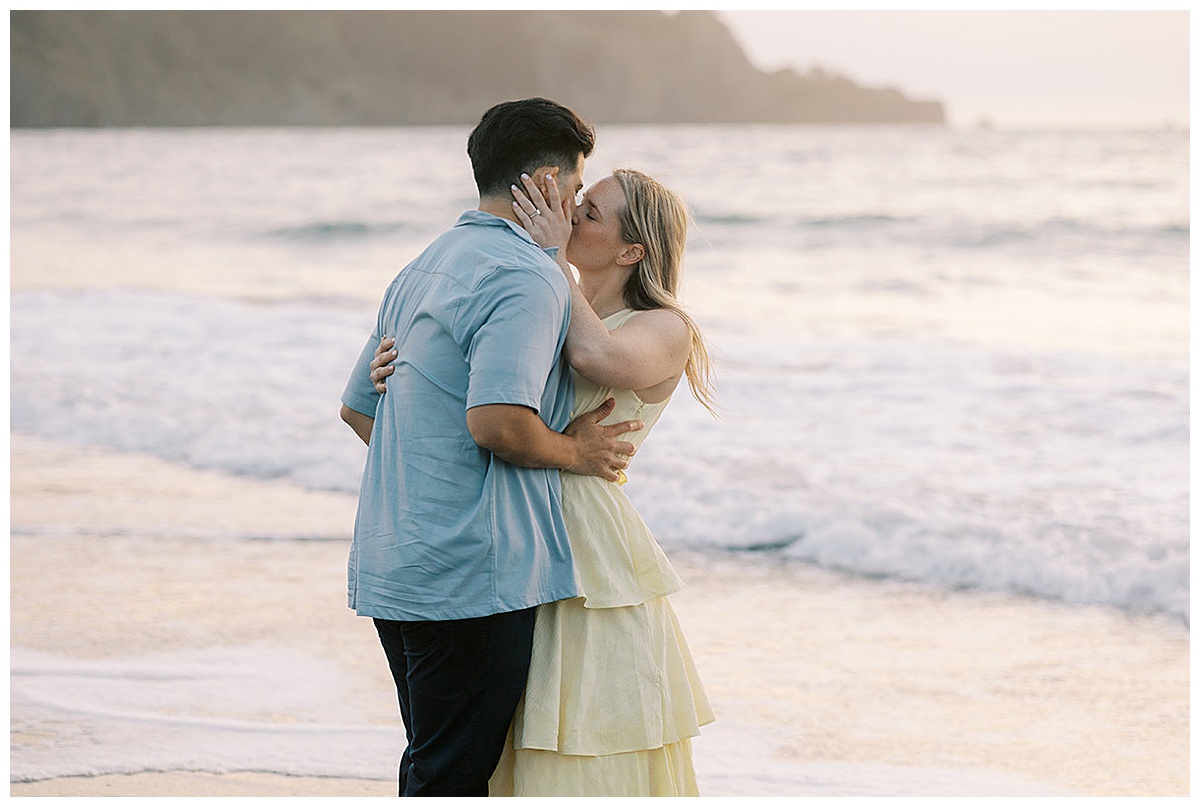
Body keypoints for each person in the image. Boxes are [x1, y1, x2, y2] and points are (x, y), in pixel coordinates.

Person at [368, 167, 717, 796]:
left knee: (584, 732)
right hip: (509, 525)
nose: (566, 214)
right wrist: (403, 371)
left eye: (589, 214)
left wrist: (550, 255)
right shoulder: (547, 303)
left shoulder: (664, 326)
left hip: (588, 549)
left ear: (632, 251)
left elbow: (597, 359)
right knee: (489, 738)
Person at [338, 98, 644, 798]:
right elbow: (498, 423)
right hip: (470, 577)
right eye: (574, 186)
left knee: (431, 764)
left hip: (398, 559)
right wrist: (577, 451)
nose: (572, 206)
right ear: (541, 182)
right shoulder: (523, 275)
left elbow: (360, 408)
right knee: (449, 778)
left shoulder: (422, 265)